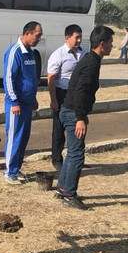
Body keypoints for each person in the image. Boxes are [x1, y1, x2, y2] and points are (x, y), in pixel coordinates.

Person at [54, 25, 114, 210]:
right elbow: (80, 91)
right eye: (111, 42)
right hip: (73, 112)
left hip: (70, 110)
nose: (113, 46)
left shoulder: (90, 58)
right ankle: (69, 195)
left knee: (72, 152)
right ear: (102, 44)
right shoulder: (91, 62)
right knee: (77, 154)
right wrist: (80, 117)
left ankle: (63, 188)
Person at [2, 21, 43, 184]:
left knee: (23, 137)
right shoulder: (14, 52)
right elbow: (8, 78)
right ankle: (9, 173)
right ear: (27, 33)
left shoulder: (31, 53)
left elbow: (30, 78)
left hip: (27, 103)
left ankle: (16, 168)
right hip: (16, 105)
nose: (39, 38)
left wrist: (33, 98)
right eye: (37, 35)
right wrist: (14, 101)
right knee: (14, 137)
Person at [47, 24, 83, 171]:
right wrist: (53, 99)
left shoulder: (83, 54)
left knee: (77, 126)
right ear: (67, 37)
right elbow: (51, 78)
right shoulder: (58, 54)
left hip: (77, 95)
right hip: (62, 94)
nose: (80, 40)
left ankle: (74, 157)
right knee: (59, 128)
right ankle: (56, 159)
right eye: (77, 37)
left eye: (81, 36)